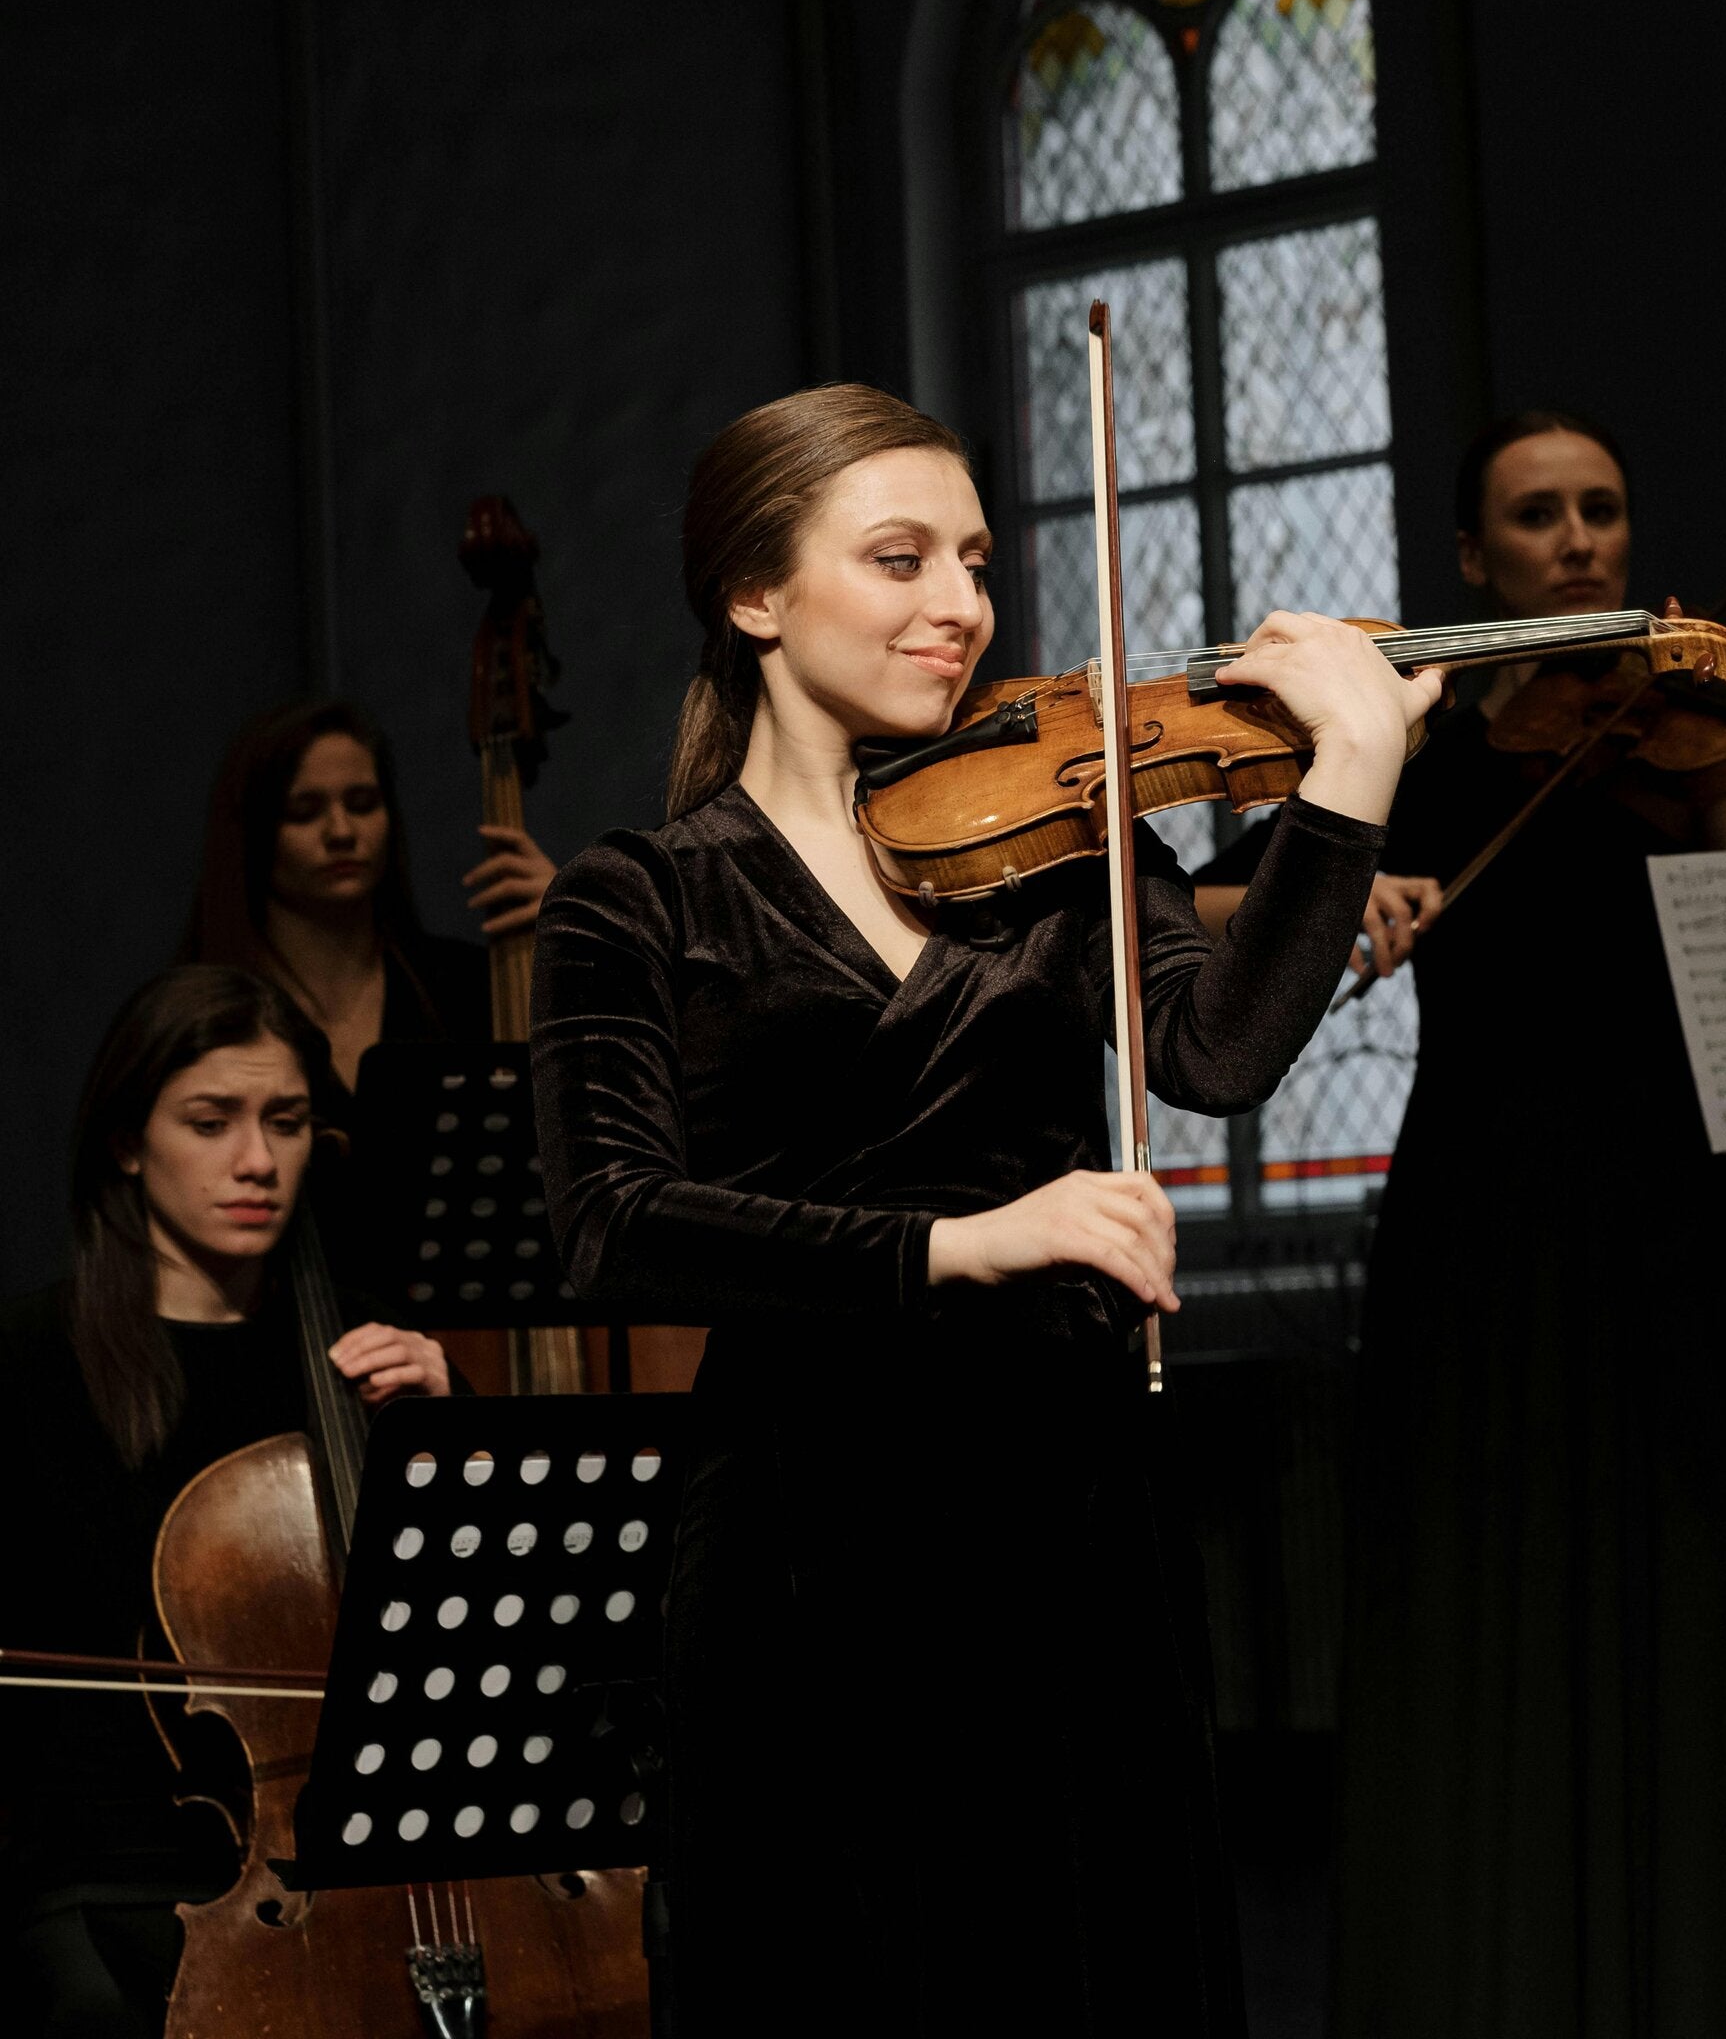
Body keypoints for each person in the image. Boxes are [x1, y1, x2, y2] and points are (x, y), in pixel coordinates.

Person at [528, 381, 1441, 2038]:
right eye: (900, 559)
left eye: (973, 561)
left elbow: (1219, 1051)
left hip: (1065, 1499)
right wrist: (966, 1242)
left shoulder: (1063, 838)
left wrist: (1352, 772)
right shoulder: (639, 895)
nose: (961, 604)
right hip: (811, 1523)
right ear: (754, 595)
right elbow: (609, 1223)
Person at [1313, 411, 1726, 2038]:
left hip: (1680, 1226)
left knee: (1697, 1607)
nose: (1578, 542)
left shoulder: (1697, 731)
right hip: (1482, 1230)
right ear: (1473, 558)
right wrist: (1342, 896)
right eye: (1538, 516)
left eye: (1602, 511)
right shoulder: (1420, 760)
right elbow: (1218, 910)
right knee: (1487, 1611)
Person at [0, 963, 453, 2039]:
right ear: (127, 1142)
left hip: (358, 1858)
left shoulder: (367, 1355)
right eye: (211, 1123)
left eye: (286, 1123)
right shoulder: (31, 1365)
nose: (257, 1161)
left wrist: (451, 1440)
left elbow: (469, 1626)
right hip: (108, 1875)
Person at [178, 697, 557, 1102]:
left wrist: (576, 929)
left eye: (362, 805)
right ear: (251, 834)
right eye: (304, 812)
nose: (341, 832)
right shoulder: (198, 1011)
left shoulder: (461, 986)